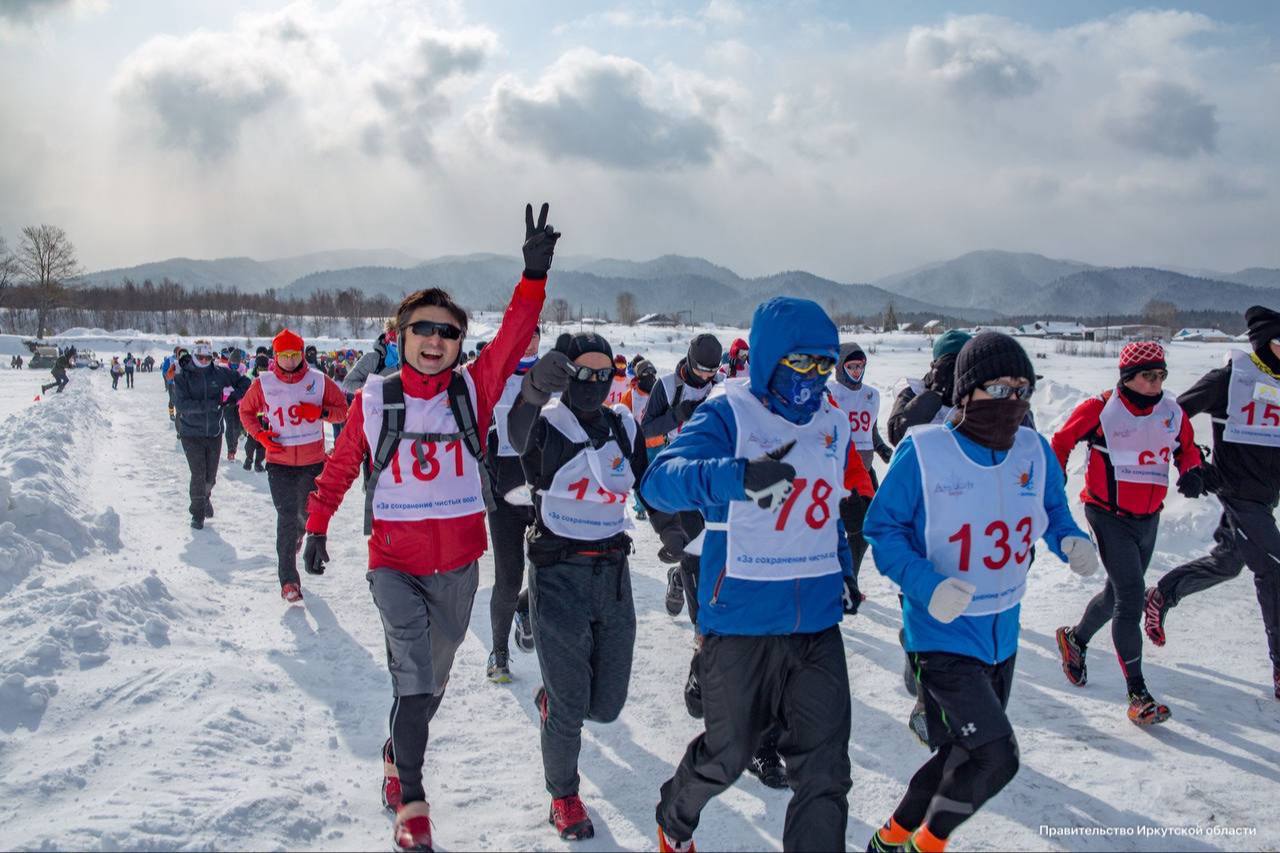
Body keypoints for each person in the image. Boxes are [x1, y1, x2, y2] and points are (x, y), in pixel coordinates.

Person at [300, 202, 557, 853]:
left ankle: (397, 747)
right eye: (423, 328)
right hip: (393, 564)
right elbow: (339, 467)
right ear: (401, 333)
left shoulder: (475, 388)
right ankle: (411, 798)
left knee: (431, 685)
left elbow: (513, 337)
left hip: (460, 567)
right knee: (413, 679)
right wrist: (317, 526)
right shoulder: (375, 397)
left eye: (447, 330)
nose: (435, 339)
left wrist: (533, 274)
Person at [645, 297, 869, 853]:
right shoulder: (731, 411)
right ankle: (674, 819)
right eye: (800, 363)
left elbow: (827, 508)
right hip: (741, 618)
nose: (813, 378)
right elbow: (659, 480)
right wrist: (737, 476)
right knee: (729, 754)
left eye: (823, 365)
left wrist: (842, 569)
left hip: (815, 623)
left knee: (825, 772)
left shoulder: (834, 424)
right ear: (770, 358)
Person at [863, 331, 1097, 853]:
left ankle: (888, 839)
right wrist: (926, 584)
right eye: (998, 387)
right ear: (965, 393)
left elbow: (1051, 510)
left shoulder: (1033, 450)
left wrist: (1069, 540)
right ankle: (928, 844)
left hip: (1002, 635)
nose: (1012, 401)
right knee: (998, 756)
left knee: (960, 755)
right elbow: (883, 529)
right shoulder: (924, 450)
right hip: (942, 635)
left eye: (1022, 389)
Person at [506, 331, 648, 841]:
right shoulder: (545, 425)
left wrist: (679, 526)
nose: (593, 383)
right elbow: (515, 432)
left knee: (605, 706)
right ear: (564, 375)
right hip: (557, 572)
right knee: (571, 709)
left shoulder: (623, 426)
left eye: (603, 373)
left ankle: (554, 702)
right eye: (581, 373)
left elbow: (647, 482)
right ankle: (563, 795)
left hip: (613, 574)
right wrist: (531, 391)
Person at [1050, 342, 1204, 724]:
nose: (1157, 384)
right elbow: (1062, 440)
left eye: (1162, 376)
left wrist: (1192, 470)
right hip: (1107, 514)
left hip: (1148, 518)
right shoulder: (1101, 409)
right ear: (1128, 377)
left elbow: (1187, 448)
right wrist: (1053, 483)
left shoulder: (1171, 411)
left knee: (1117, 593)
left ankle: (1076, 639)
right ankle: (1138, 694)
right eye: (1149, 376)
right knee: (1132, 597)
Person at [1145, 305, 1280, 701]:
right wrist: (1193, 464)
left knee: (1228, 562)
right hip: (1238, 493)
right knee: (1274, 569)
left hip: (1264, 497)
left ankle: (1164, 592)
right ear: (1264, 344)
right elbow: (1172, 416)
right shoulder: (1230, 377)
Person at [237, 329, 348, 601]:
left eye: (294, 354)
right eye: (283, 356)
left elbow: (343, 410)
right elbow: (245, 411)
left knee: (304, 515)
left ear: (302, 353)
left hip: (312, 463)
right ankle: (288, 581)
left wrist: (319, 412)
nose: (289, 360)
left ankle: (300, 534)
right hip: (279, 463)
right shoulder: (264, 384)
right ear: (275, 357)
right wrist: (261, 436)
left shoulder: (318, 381)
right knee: (286, 518)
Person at [641, 333, 723, 619]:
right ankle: (701, 626)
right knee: (692, 548)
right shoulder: (666, 386)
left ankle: (678, 577)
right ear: (689, 360)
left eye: (712, 371)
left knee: (714, 546)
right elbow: (646, 430)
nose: (706, 377)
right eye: (701, 370)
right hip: (680, 473)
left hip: (713, 472)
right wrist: (677, 416)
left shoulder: (720, 386)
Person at [484, 325, 543, 680]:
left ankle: (526, 607)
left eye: (535, 334)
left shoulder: (553, 377)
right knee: (507, 577)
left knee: (549, 573)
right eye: (525, 333)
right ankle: (499, 652)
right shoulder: (497, 375)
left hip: (541, 492)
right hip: (503, 491)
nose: (530, 339)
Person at [826, 342, 894, 611]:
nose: (856, 371)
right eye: (851, 366)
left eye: (860, 366)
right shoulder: (831, 392)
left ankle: (848, 580)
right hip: (839, 472)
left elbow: (871, 432)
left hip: (865, 471)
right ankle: (833, 578)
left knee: (865, 531)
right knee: (836, 529)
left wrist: (884, 450)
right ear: (840, 367)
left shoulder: (872, 395)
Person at [172, 340, 250, 529]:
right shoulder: (184, 376)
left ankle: (205, 496)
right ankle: (197, 513)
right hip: (190, 432)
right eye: (200, 357)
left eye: (208, 357)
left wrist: (232, 397)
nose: (204, 360)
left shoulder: (220, 373)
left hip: (214, 432)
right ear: (194, 355)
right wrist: (211, 405)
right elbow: (182, 405)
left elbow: (245, 382)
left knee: (210, 477)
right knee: (198, 474)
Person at [622, 359, 658, 521]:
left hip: (658, 443)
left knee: (657, 476)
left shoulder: (658, 392)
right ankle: (641, 507)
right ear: (639, 376)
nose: (651, 378)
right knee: (641, 477)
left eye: (653, 374)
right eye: (647, 374)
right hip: (639, 444)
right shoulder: (630, 395)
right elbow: (623, 418)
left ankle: (658, 505)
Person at [241, 352, 270, 473]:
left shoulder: (270, 379)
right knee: (252, 439)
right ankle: (249, 458)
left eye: (265, 368)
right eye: (260, 368)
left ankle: (259, 462)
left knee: (263, 442)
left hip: (265, 416)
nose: (262, 370)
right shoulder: (250, 379)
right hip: (253, 415)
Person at [161, 346, 183, 423]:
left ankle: (179, 415)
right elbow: (164, 371)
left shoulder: (184, 359)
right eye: (179, 351)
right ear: (175, 352)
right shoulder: (170, 359)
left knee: (180, 400)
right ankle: (171, 414)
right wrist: (169, 377)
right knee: (173, 399)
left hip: (181, 384)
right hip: (172, 383)